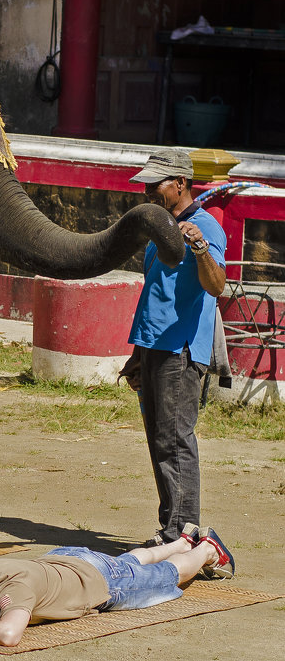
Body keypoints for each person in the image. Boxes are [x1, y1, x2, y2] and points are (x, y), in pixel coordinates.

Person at [0, 525, 235, 647]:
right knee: (129, 561)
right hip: (67, 561)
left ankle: (203, 549)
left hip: (100, 581)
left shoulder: (14, 590)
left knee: (171, 575)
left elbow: (9, 634)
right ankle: (180, 540)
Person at [122, 148, 226, 545]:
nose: (149, 191)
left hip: (180, 352)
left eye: (156, 184)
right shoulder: (161, 228)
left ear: (180, 183)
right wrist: (136, 353)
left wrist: (199, 248)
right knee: (158, 441)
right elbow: (154, 294)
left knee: (175, 440)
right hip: (154, 347)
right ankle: (172, 530)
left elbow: (216, 287)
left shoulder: (206, 227)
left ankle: (182, 536)